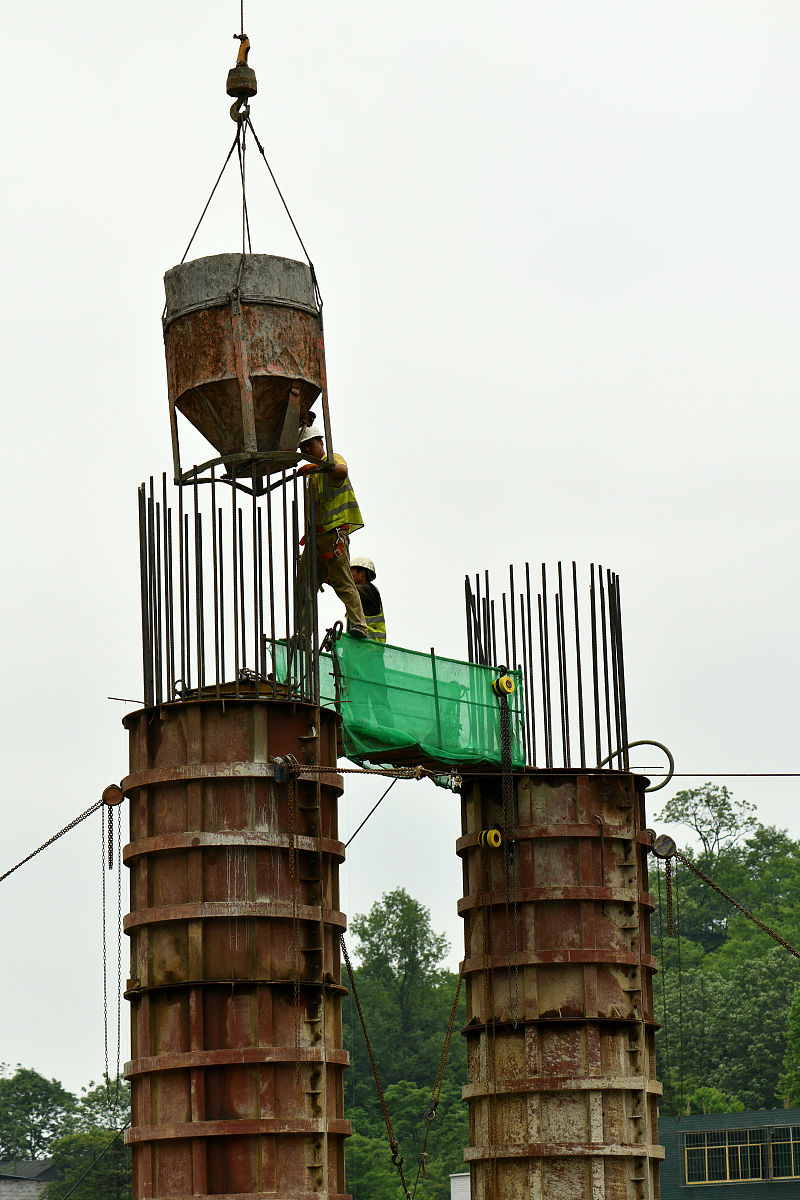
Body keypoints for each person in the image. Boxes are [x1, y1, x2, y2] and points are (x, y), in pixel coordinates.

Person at [297, 422, 369, 638]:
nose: (307, 451)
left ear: (321, 442)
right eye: (303, 448)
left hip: (333, 538)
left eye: (310, 445)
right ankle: (303, 634)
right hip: (315, 540)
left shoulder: (332, 460)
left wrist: (319, 466)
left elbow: (341, 471)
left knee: (344, 583)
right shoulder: (313, 477)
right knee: (304, 586)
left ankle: (359, 626)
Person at [349, 556, 386, 642]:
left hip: (371, 648)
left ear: (362, 573)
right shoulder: (358, 598)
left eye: (351, 571)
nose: (349, 575)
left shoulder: (369, 590)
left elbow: (347, 588)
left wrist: (332, 579)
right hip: (360, 649)